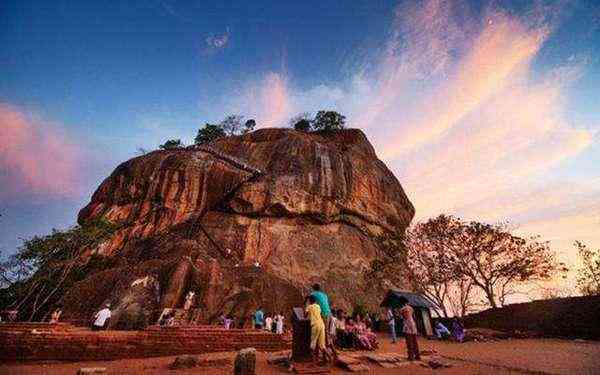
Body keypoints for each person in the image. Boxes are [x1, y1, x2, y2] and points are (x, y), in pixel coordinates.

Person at [305, 295, 329, 363]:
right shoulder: (318, 306)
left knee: (312, 344)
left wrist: (307, 305)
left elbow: (305, 315)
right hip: (322, 325)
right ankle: (328, 358)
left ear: (309, 301)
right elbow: (320, 314)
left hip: (315, 325)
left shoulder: (309, 306)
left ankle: (313, 361)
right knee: (322, 345)